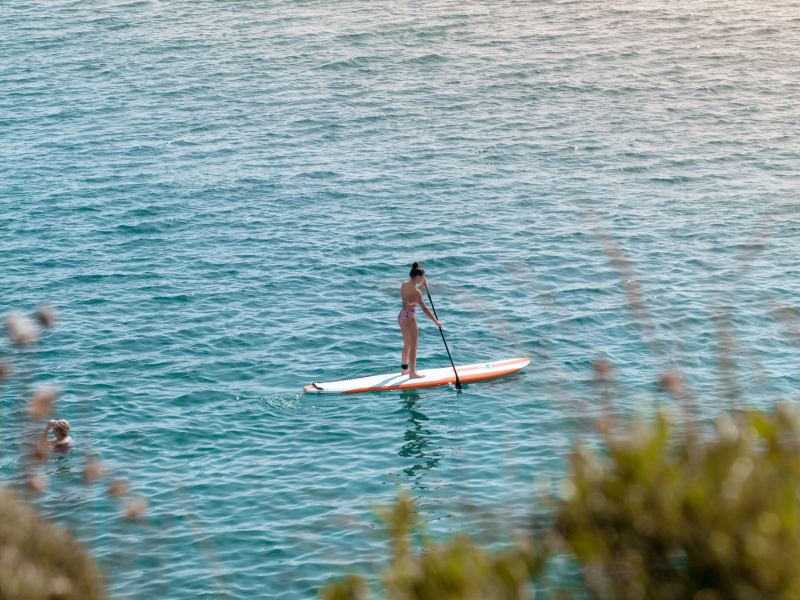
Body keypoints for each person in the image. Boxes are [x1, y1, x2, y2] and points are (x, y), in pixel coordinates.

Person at [398, 262, 442, 379]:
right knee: (414, 346)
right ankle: (412, 374)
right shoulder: (416, 292)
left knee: (407, 344)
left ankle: (404, 369)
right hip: (409, 320)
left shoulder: (404, 284)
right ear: (417, 277)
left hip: (401, 317)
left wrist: (422, 286)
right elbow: (425, 309)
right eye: (422, 278)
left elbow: (411, 295)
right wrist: (436, 322)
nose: (422, 280)